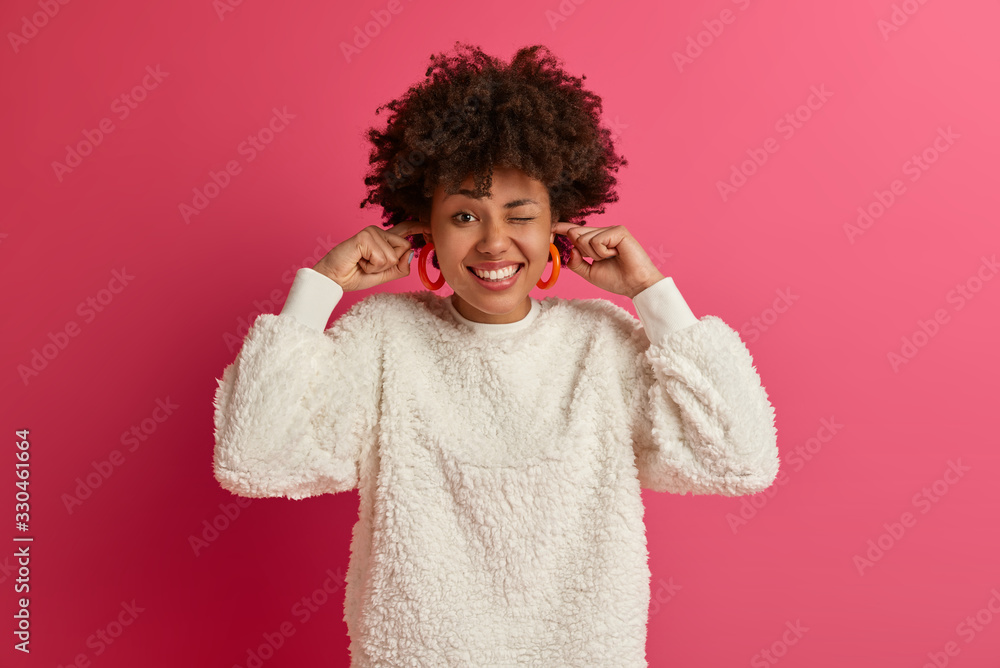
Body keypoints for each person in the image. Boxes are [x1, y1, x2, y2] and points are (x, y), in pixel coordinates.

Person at [212, 42, 780, 667]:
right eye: (463, 215)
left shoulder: (601, 340)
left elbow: (738, 459)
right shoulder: (382, 338)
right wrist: (319, 286)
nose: (492, 242)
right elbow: (256, 459)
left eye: (520, 214)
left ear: (558, 224)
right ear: (422, 224)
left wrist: (652, 295)